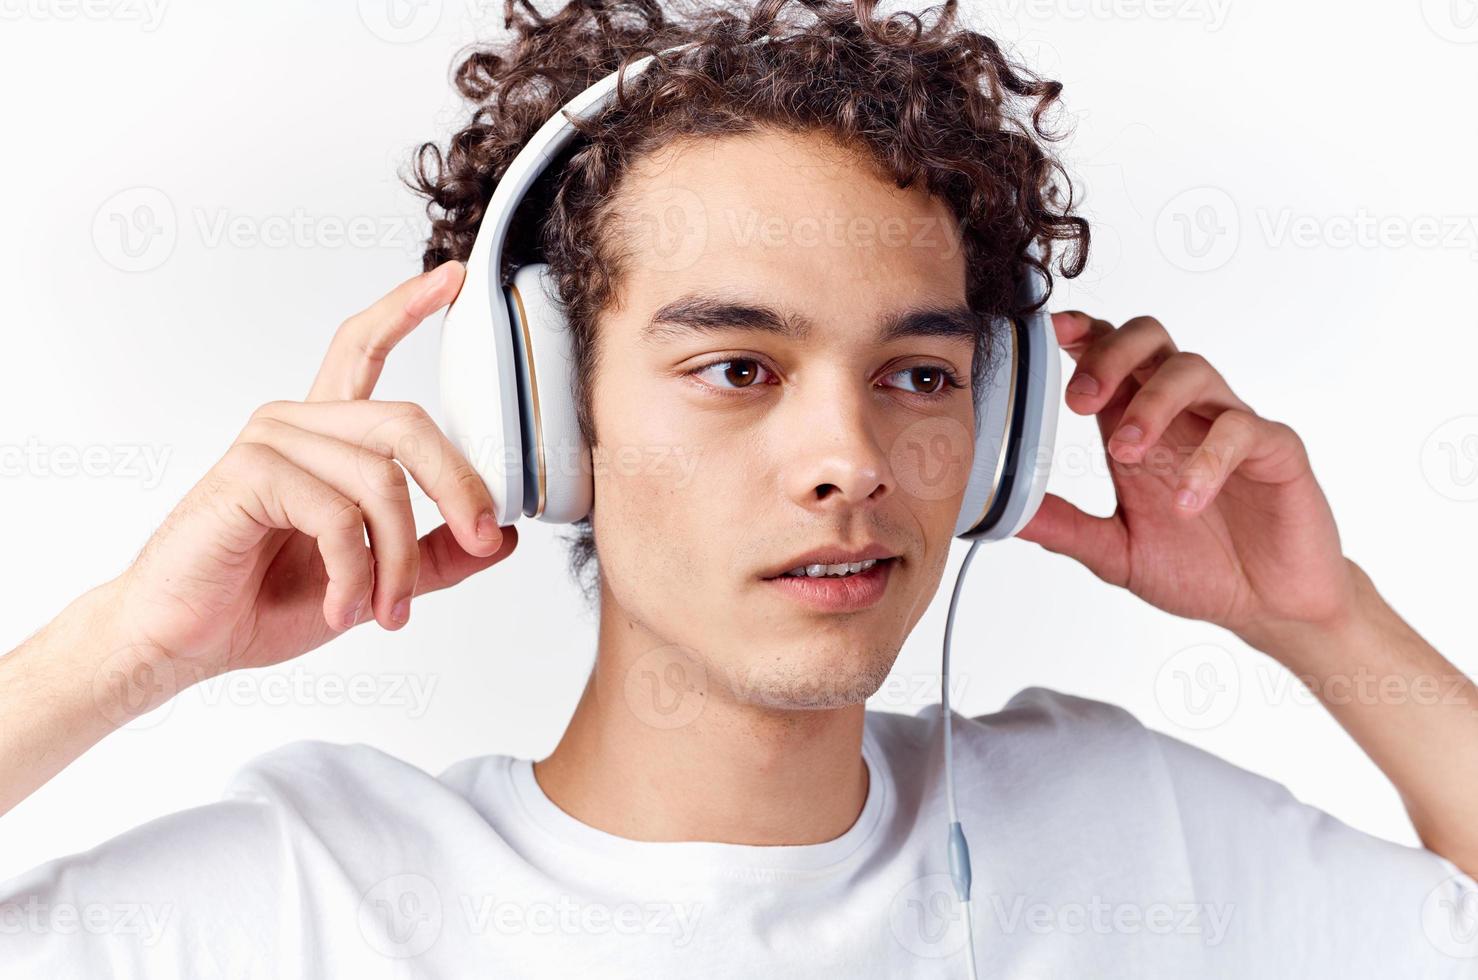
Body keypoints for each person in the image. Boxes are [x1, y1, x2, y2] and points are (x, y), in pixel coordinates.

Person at [2, 0, 1476, 975]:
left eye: (917, 375)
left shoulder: (1135, 834)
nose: (847, 462)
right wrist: (127, 649)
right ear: (537, 421)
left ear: (1004, 426)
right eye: (737, 370)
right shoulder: (306, 898)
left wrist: (1320, 622)